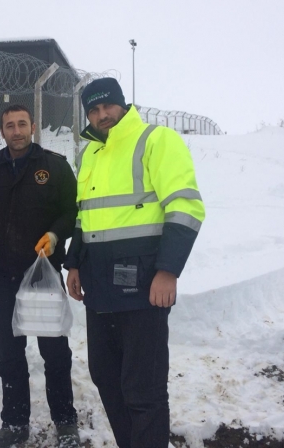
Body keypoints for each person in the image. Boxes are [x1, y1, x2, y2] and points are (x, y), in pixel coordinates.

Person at [65, 78, 205, 448]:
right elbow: (84, 216)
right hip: (99, 289)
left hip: (144, 287)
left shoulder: (156, 140)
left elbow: (185, 206)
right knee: (106, 377)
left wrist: (168, 270)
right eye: (93, 110)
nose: (101, 115)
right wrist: (74, 264)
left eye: (107, 106)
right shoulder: (91, 154)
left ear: (122, 105)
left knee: (143, 388)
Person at [0, 104, 81, 448]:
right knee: (8, 355)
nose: (16, 131)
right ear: (1, 131)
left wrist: (57, 235)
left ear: (33, 127)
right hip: (3, 278)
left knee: (55, 352)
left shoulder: (55, 167)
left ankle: (65, 422)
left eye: (21, 124)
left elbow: (71, 209)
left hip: (43, 276)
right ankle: (15, 425)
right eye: (9, 126)